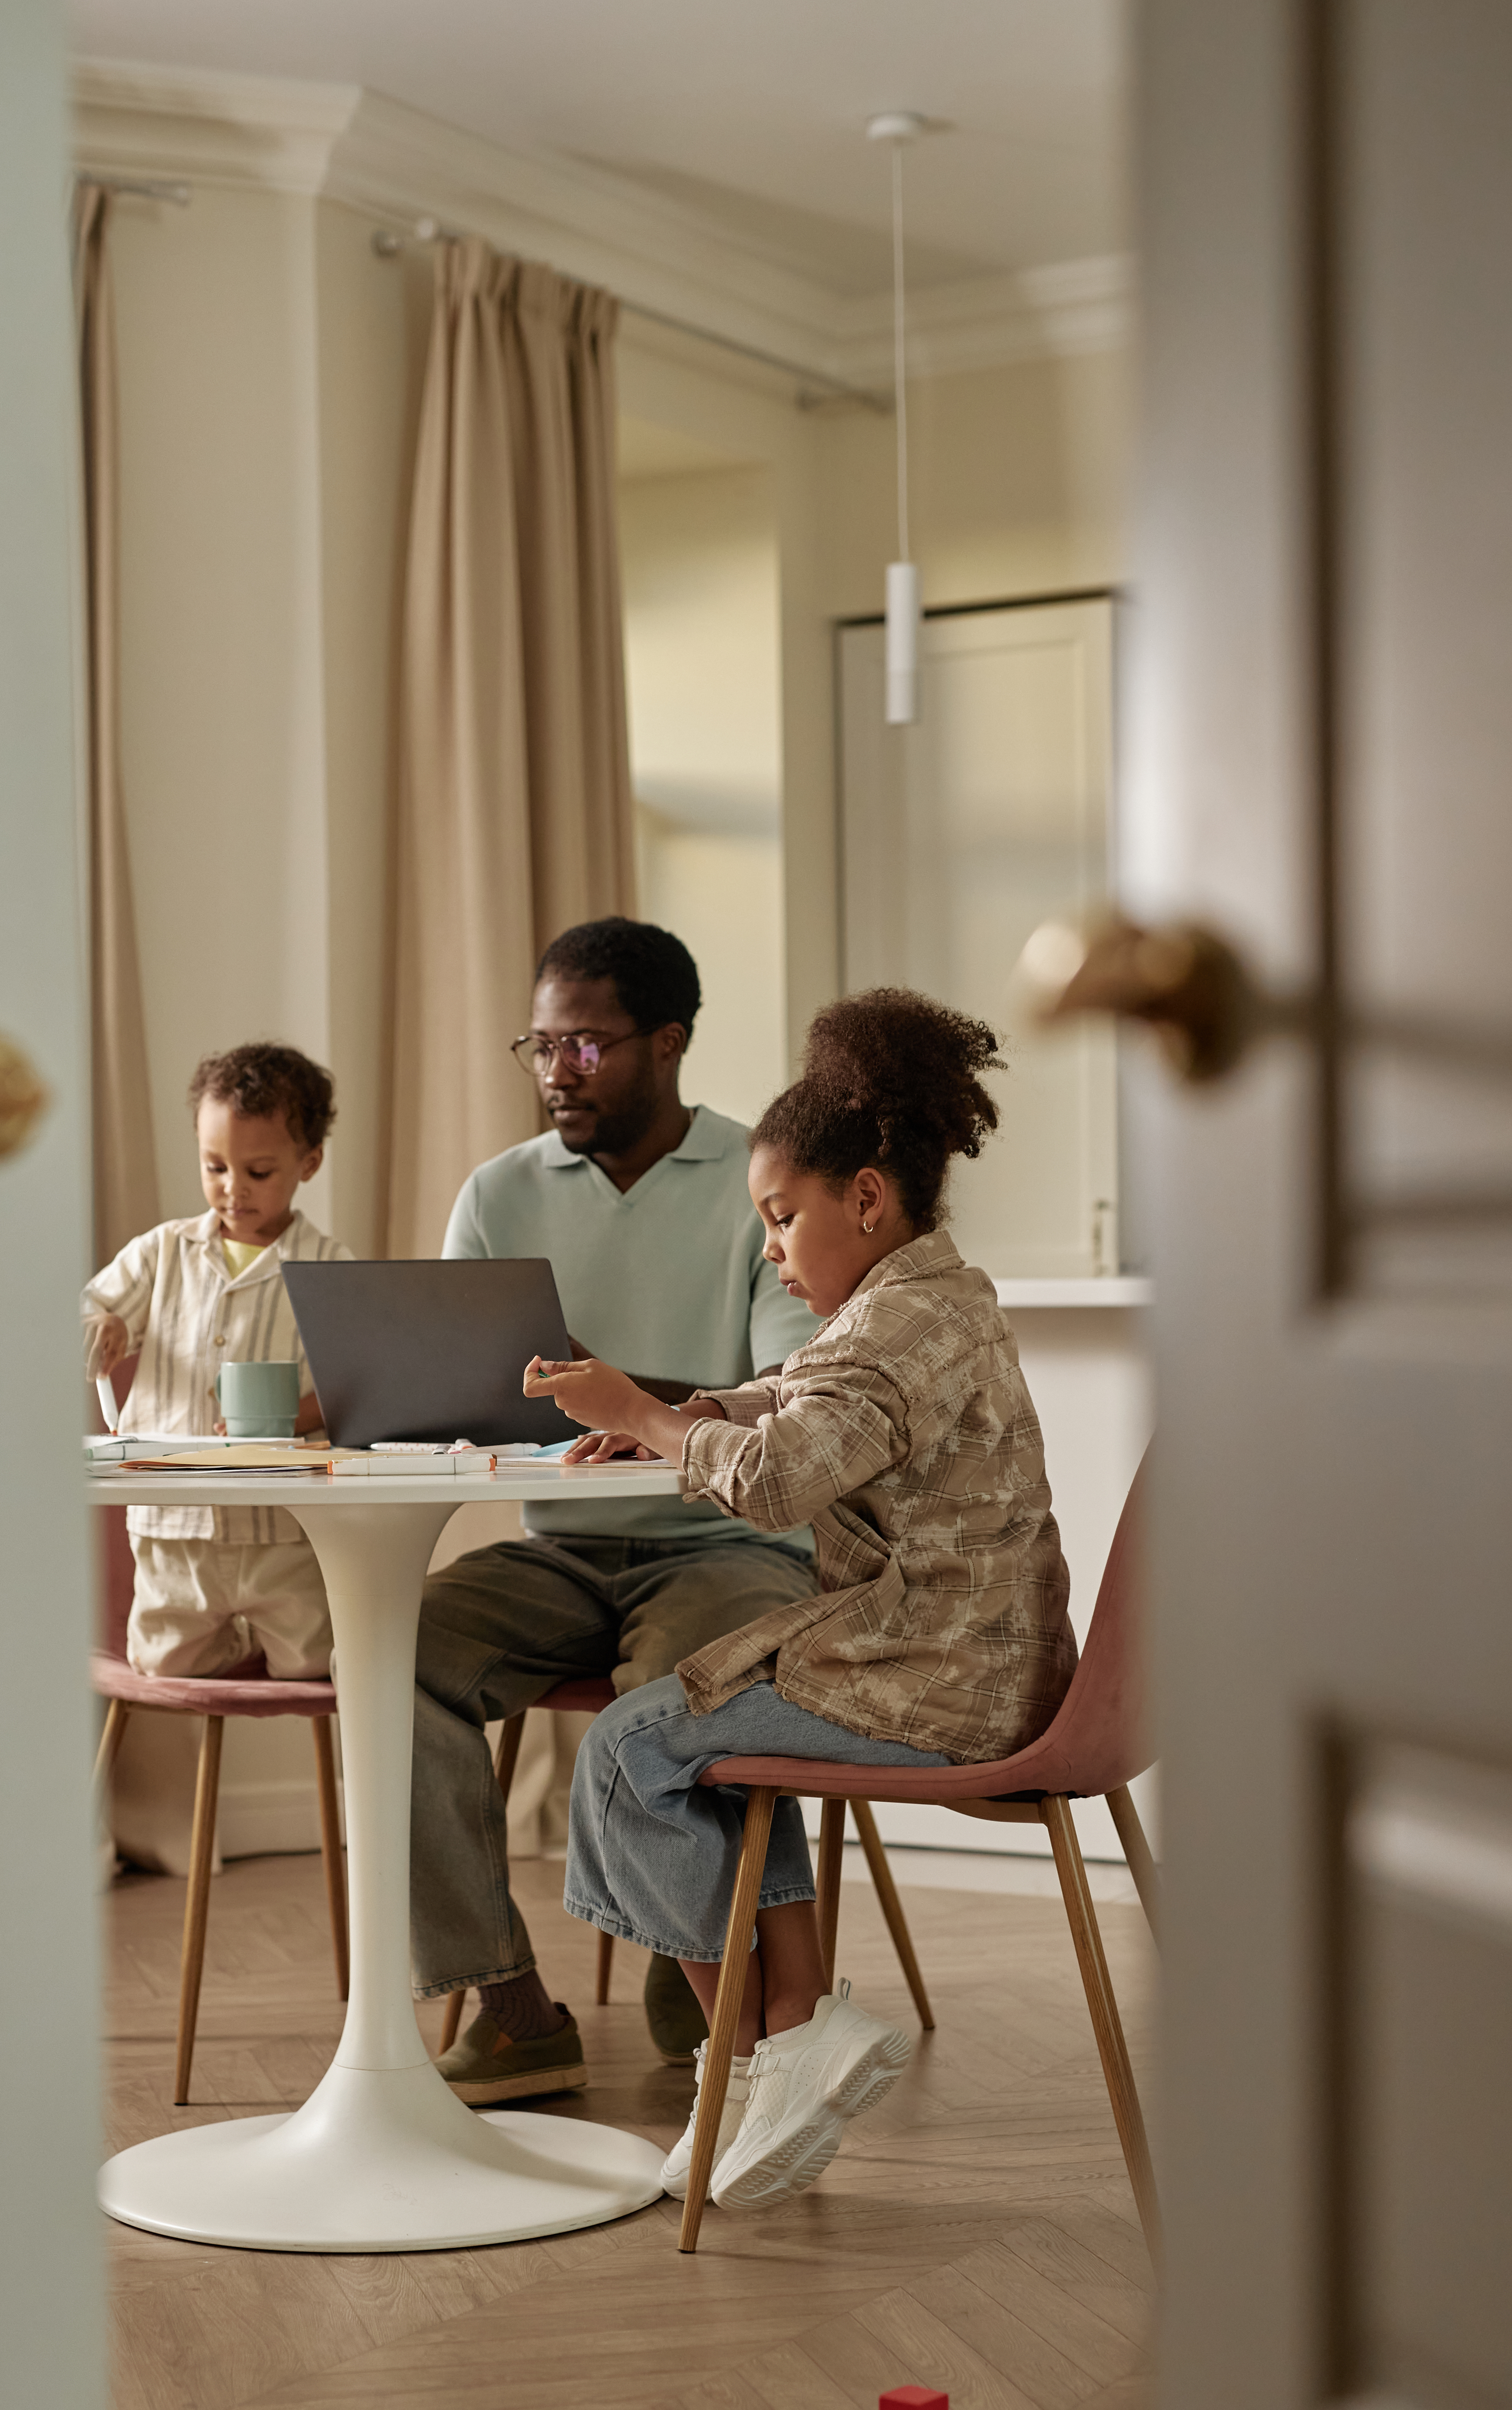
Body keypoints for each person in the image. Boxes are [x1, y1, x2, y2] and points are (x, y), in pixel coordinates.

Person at [527, 987, 1075, 2211]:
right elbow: (802, 1391)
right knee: (697, 1745)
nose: (771, 1249)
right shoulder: (940, 1298)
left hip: (932, 1680)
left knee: (627, 1753)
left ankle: (778, 2041)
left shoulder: (889, 1335)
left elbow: (784, 1483)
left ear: (864, 1200)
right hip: (979, 1660)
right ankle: (783, 2042)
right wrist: (704, 1414)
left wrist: (651, 1419)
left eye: (781, 1219)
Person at [419, 918, 819, 2102]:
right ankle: (505, 2002)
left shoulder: (763, 1185)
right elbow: (461, 1390)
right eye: (540, 1045)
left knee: (673, 1695)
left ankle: (684, 1954)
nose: (556, 1071)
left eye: (586, 1046)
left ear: (669, 1042)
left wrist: (616, 1389)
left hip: (729, 1547)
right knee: (389, 1659)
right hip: (562, 1551)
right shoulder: (495, 1196)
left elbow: (787, 1404)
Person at [83, 1041, 352, 1679]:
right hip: (174, 1519)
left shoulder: (331, 1270)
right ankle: (230, 1642)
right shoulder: (161, 1252)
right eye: (214, 1168)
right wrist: (102, 1327)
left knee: (312, 1664)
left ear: (308, 1162)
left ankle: (263, 1640)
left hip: (282, 1526)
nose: (232, 1190)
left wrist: (294, 1417)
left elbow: (362, 1383)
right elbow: (92, 1308)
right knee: (166, 1664)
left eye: (258, 1173)